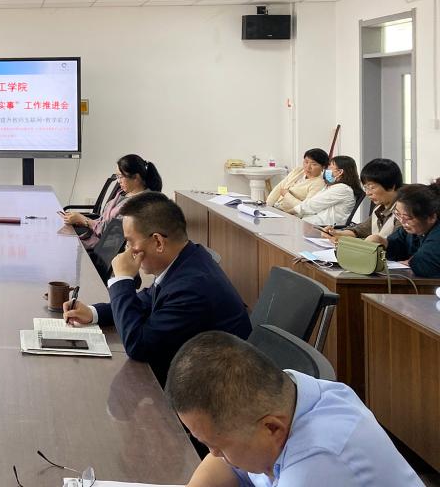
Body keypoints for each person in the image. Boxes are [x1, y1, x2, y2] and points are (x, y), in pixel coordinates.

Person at [164, 331, 421, 487]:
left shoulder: (317, 465)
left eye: (217, 446)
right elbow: (228, 465)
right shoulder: (280, 392)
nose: (214, 454)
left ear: (272, 428)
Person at [62, 192, 251, 384]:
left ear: (158, 242)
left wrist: (122, 280)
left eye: (130, 241)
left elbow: (138, 346)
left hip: (216, 386)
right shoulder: (186, 258)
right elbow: (146, 301)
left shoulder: (192, 287)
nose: (127, 250)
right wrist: (94, 313)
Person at [61, 154, 161, 249]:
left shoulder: (140, 204)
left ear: (136, 177)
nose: (118, 181)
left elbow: (109, 233)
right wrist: (81, 221)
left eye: (121, 176)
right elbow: (105, 221)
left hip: (102, 248)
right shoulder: (123, 193)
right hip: (96, 238)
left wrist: (85, 221)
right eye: (117, 176)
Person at [368, 180, 440, 278]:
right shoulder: (410, 230)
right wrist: (383, 243)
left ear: (431, 217)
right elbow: (397, 245)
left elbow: (424, 263)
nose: (402, 221)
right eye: (397, 214)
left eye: (408, 217)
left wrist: (411, 261)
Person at [325, 158, 402, 242]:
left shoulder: (403, 213)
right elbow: (362, 229)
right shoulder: (379, 207)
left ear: (391, 186)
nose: (368, 193)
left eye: (372, 187)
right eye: (366, 188)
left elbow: (397, 243)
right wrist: (337, 233)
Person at [291, 155, 362, 227]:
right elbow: (312, 202)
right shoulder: (334, 187)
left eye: (330, 167)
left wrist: (291, 211)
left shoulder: (343, 189)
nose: (326, 170)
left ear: (340, 172)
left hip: (323, 226)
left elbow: (314, 204)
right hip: (314, 222)